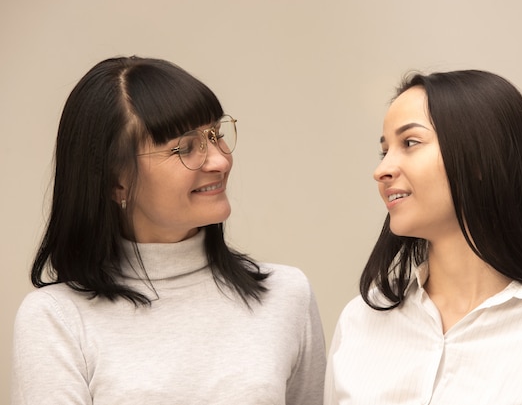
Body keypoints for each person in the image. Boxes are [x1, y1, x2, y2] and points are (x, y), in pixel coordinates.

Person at [12, 56, 326, 405]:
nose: (220, 161)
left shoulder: (286, 295)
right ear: (116, 183)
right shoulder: (56, 319)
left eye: (216, 135)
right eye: (186, 148)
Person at [324, 70, 522, 404]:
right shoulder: (360, 319)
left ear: (480, 158)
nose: (381, 170)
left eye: (410, 143)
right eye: (385, 151)